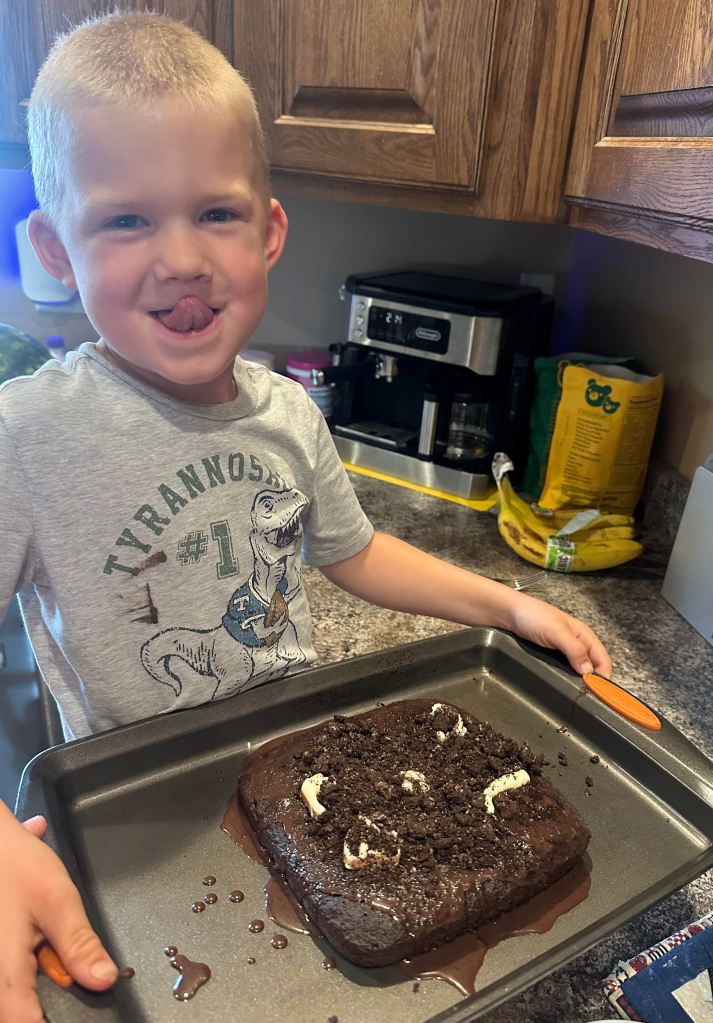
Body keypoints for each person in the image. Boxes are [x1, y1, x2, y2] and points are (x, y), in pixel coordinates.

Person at [0, 12, 611, 1022]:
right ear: (54, 249)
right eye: (126, 221)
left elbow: (354, 552)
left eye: (216, 213)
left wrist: (504, 604)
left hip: (306, 771)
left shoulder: (288, 412)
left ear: (270, 232)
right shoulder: (26, 436)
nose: (181, 258)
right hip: (130, 808)